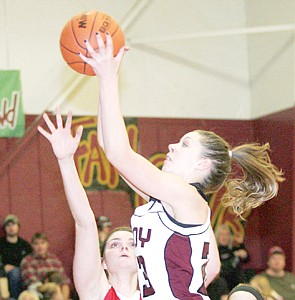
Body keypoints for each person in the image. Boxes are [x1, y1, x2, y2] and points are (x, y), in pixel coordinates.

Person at [75, 32, 284, 299]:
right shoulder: (172, 199)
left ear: (202, 164)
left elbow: (119, 152)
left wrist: (108, 78)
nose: (172, 146)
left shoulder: (185, 196)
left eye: (184, 144)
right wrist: (101, 78)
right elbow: (107, 146)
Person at [37, 112, 141, 300]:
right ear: (103, 263)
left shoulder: (161, 293)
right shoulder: (96, 292)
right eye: (114, 245)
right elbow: (85, 222)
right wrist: (66, 161)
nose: (123, 248)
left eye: (132, 244)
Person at [20, 232, 71, 300]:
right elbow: (32, 282)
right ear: (32, 246)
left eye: (42, 243)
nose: (40, 246)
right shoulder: (27, 260)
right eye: (36, 243)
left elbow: (64, 280)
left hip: (57, 292)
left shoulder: (54, 259)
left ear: (47, 244)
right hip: (38, 292)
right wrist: (50, 286)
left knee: (63, 286)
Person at [208, 224, 250, 299]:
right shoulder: (214, 251)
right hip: (221, 284)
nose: (224, 237)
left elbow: (246, 259)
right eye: (222, 234)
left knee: (248, 273)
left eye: (227, 234)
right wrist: (234, 256)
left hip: (236, 283)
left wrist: (241, 244)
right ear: (217, 236)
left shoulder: (234, 249)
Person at [0, 214, 32, 299]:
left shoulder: (25, 245)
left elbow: (31, 262)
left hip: (22, 273)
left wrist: (17, 268)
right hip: (3, 275)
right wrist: (3, 268)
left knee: (16, 272)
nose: (11, 228)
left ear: (18, 226)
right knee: (14, 273)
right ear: (5, 228)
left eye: (13, 224)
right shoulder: (1, 244)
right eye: (8, 225)